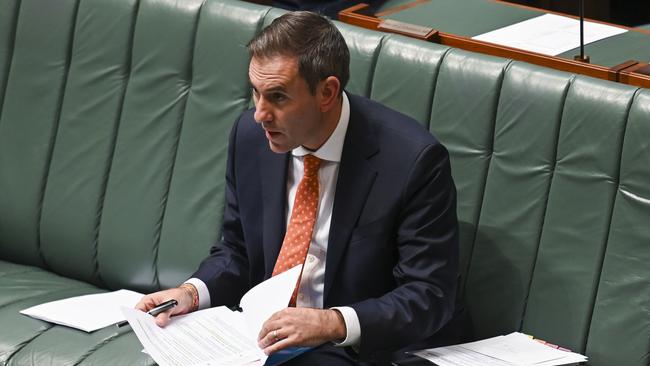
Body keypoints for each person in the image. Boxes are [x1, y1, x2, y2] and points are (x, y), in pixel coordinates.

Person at [136, 11, 459, 365]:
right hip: (260, 337)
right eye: (255, 93)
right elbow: (238, 251)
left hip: (351, 347)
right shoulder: (251, 137)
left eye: (277, 97)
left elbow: (429, 294)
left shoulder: (412, 161)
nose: (260, 114)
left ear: (327, 92)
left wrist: (333, 322)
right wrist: (191, 293)